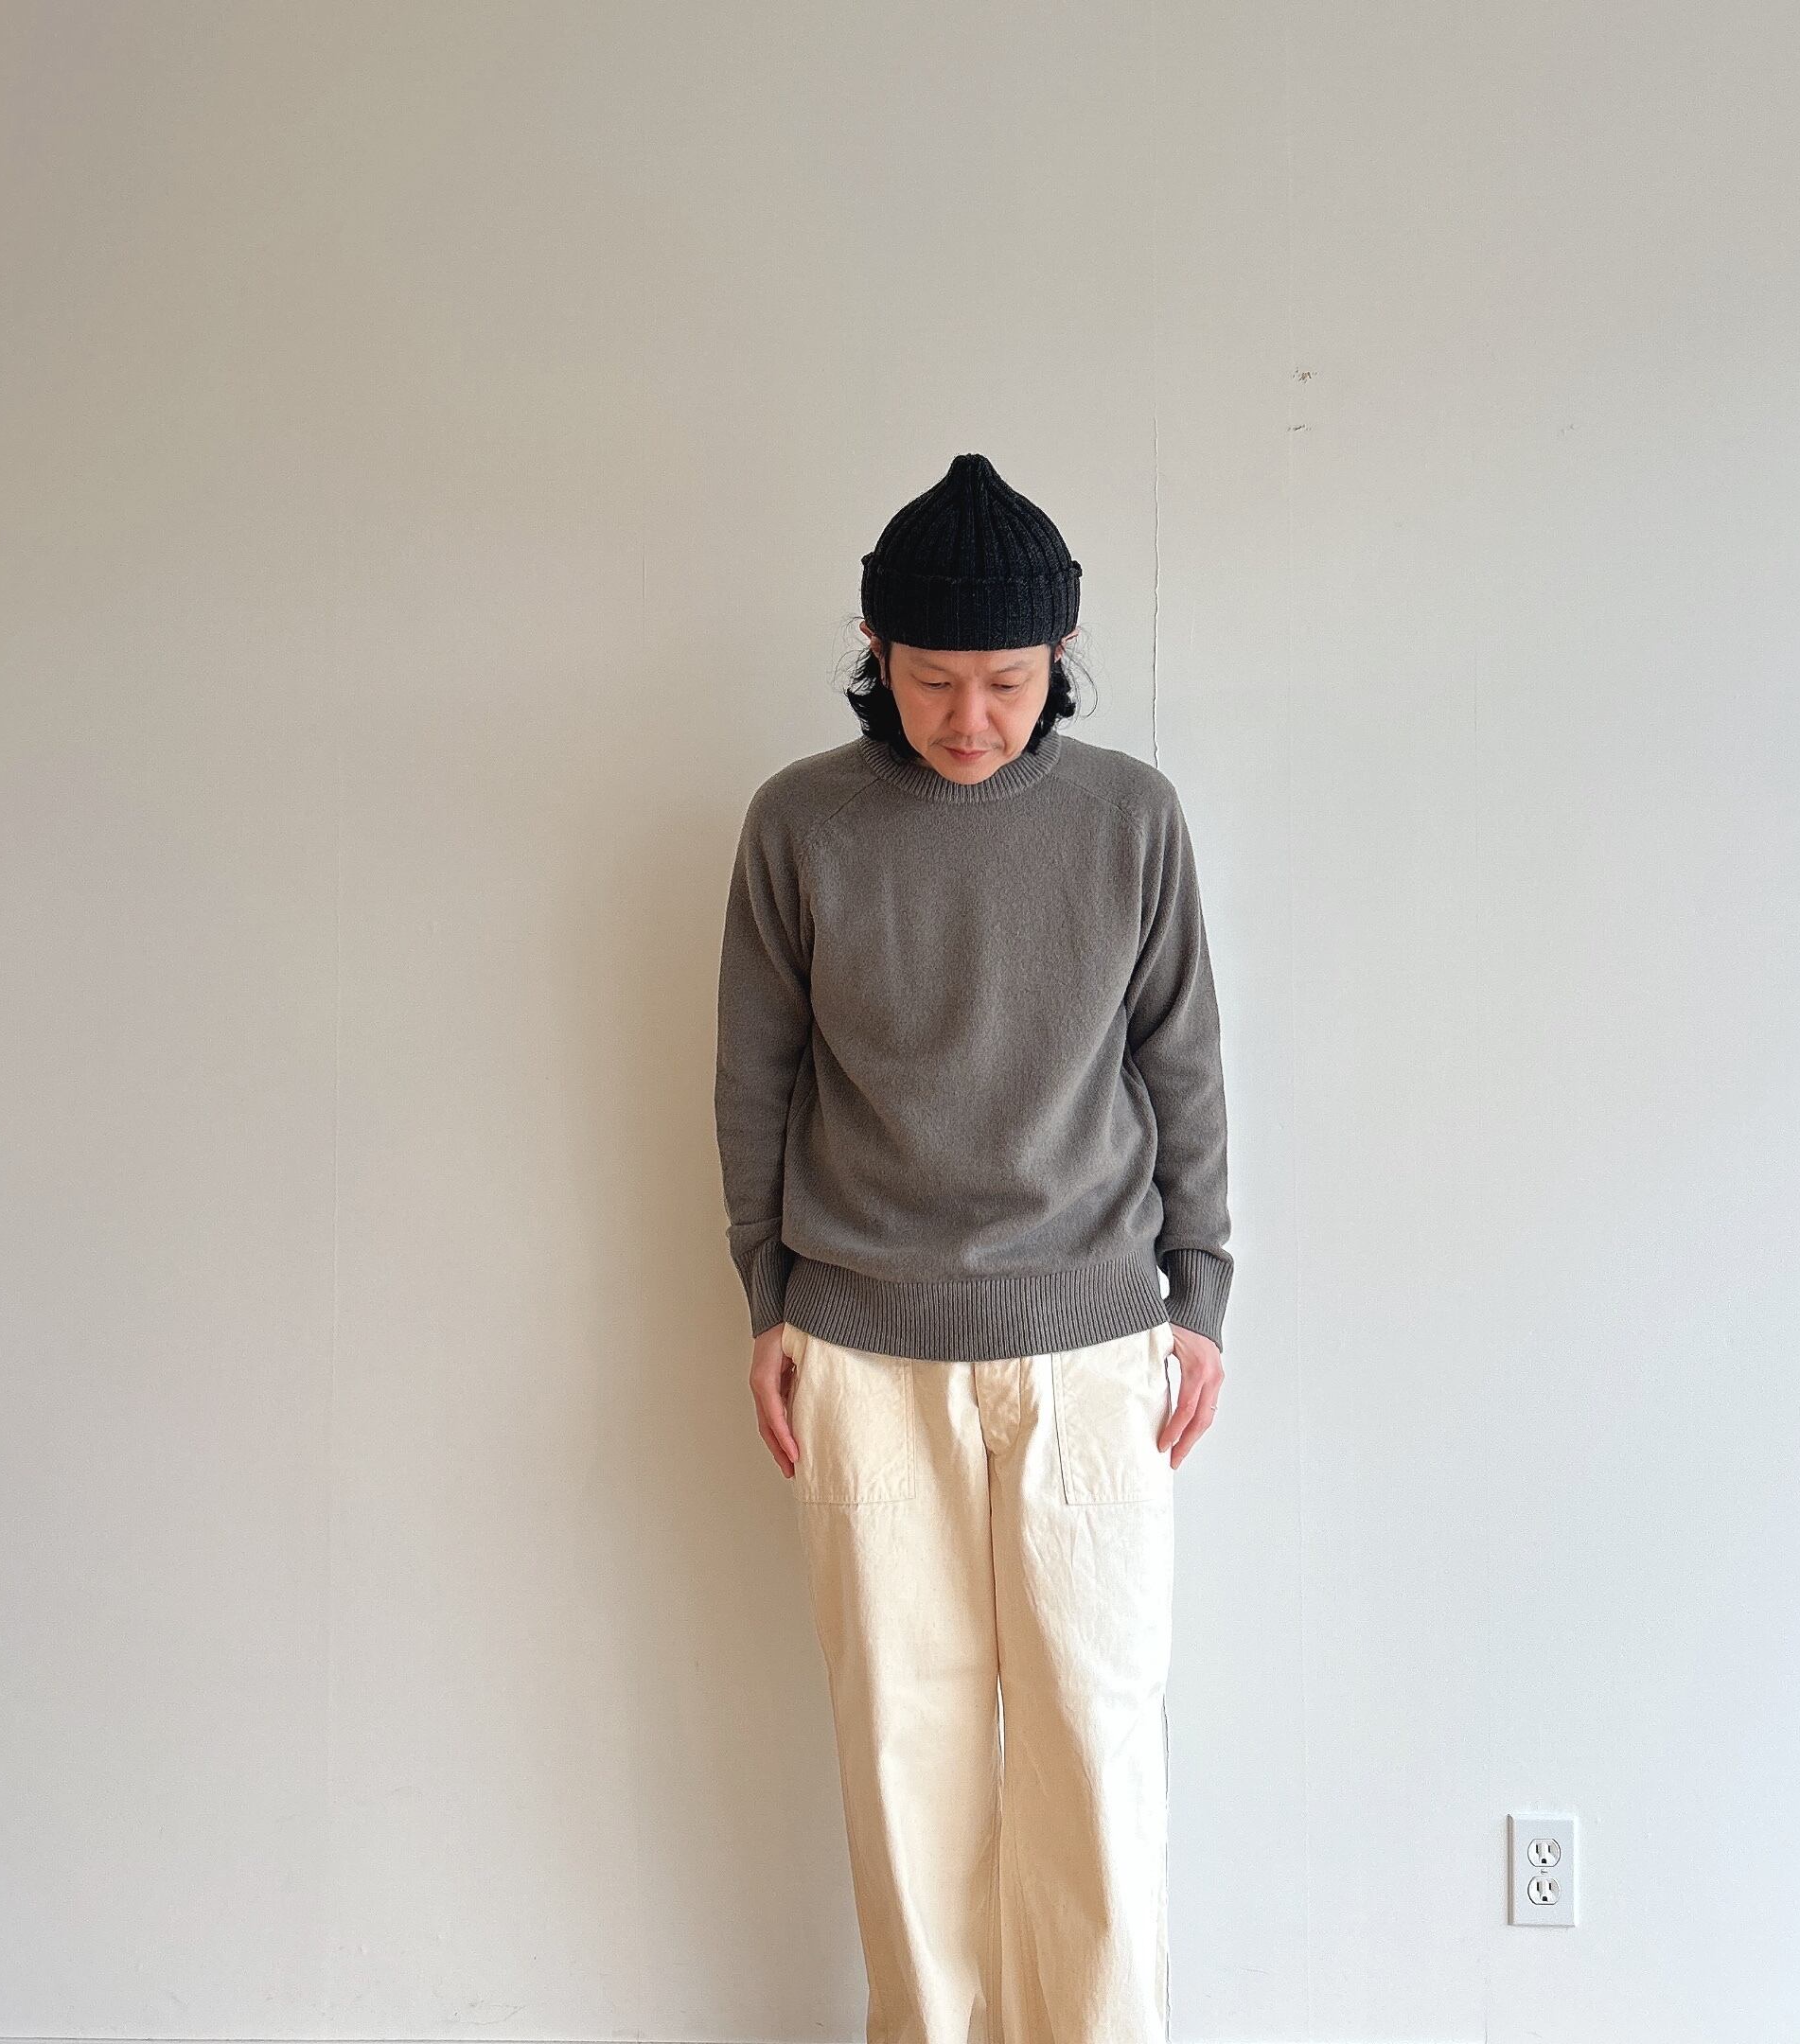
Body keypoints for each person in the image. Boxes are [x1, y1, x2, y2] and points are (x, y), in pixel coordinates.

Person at [714, 450, 1232, 2044]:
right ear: (876, 654)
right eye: (933, 680)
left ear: (1059, 661)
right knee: (905, 1760)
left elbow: (1183, 1065)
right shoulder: (801, 824)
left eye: (1007, 683)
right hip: (863, 1347)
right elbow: (754, 1077)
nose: (969, 718)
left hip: (1095, 1350)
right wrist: (767, 1298)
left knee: (1098, 1753)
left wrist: (1203, 1296)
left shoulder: (1131, 818)